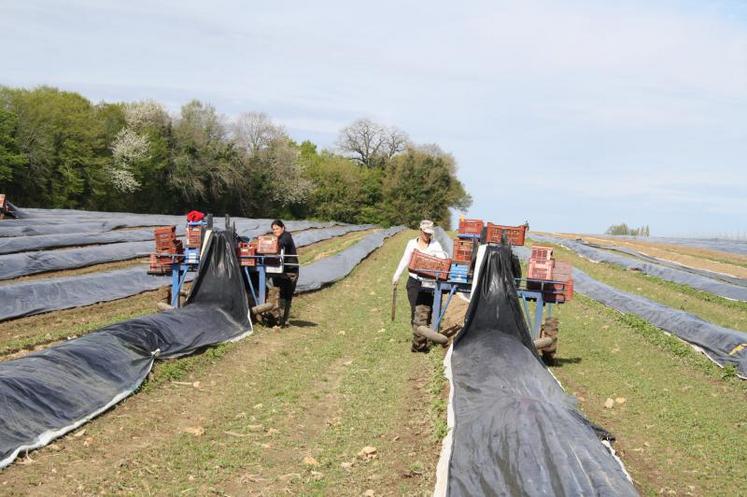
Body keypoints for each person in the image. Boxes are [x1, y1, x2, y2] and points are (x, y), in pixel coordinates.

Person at [392, 220, 447, 352]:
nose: (427, 236)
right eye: (425, 233)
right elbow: (405, 259)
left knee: (427, 311)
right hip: (414, 281)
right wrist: (397, 275)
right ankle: (419, 340)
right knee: (414, 310)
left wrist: (438, 256)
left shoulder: (435, 244)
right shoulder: (412, 243)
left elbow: (442, 260)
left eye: (429, 233)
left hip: (429, 283)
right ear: (420, 230)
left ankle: (423, 339)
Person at [269, 219, 299, 327]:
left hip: (290, 270)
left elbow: (281, 244)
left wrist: (270, 244)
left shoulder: (286, 236)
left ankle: (284, 320)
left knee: (287, 294)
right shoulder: (277, 238)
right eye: (273, 229)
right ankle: (279, 319)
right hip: (279, 269)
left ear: (283, 228)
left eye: (277, 228)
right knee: (278, 292)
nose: (275, 231)